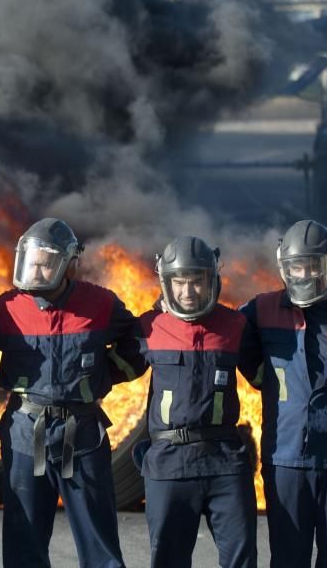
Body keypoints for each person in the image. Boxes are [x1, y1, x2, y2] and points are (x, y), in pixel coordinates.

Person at [0, 218, 144, 568]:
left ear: (69, 265)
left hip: (82, 436)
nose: (37, 270)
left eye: (46, 261)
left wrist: (103, 376)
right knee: (25, 543)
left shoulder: (100, 304)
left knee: (99, 542)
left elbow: (137, 346)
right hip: (26, 435)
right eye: (32, 260)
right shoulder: (6, 308)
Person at [239, 220, 327, 568]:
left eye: (312, 265)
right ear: (285, 267)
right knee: (288, 559)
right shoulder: (261, 310)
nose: (304, 274)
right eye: (296, 266)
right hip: (285, 460)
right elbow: (224, 335)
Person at [136, 236, 258, 567]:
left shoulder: (236, 325)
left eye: (196, 282)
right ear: (167, 283)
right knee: (168, 560)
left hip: (225, 462)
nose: (188, 291)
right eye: (179, 282)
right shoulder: (148, 327)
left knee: (241, 558)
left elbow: (265, 379)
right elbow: (112, 369)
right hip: (168, 464)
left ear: (212, 281)